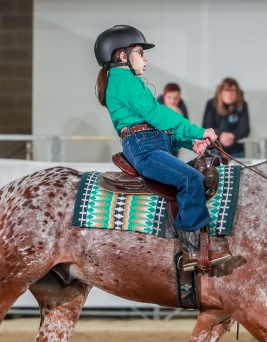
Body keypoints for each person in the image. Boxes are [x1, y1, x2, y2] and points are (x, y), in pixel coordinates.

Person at [94, 25, 231, 270]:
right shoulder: (124, 79)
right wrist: (198, 131)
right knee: (190, 179)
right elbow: (156, 115)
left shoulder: (125, 81)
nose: (145, 58)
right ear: (122, 56)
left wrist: (190, 142)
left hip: (149, 143)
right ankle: (191, 251)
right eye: (139, 52)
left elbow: (156, 130)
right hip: (143, 148)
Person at [201, 78, 250, 158]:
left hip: (236, 150)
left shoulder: (242, 105)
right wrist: (221, 135)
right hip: (214, 149)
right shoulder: (211, 104)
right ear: (220, 92)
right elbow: (206, 127)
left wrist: (231, 136)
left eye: (232, 91)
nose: (229, 94)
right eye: (226, 90)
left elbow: (245, 129)